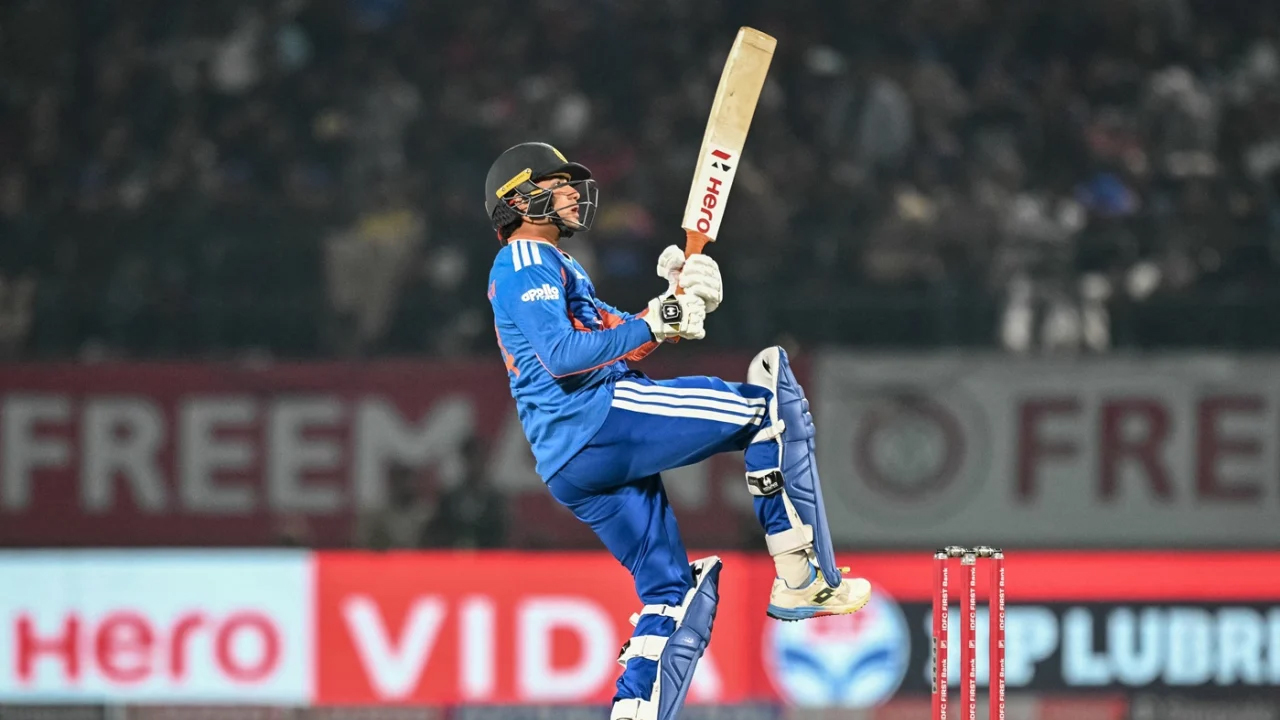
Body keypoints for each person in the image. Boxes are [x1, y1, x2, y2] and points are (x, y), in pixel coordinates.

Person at [484, 142, 870, 720]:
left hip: (570, 462)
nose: (570, 192)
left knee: (671, 593)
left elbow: (621, 336)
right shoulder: (523, 259)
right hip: (596, 418)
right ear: (518, 200)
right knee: (768, 408)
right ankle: (803, 577)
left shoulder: (557, 264)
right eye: (555, 183)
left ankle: (635, 713)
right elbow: (564, 357)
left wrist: (670, 304)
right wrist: (658, 319)